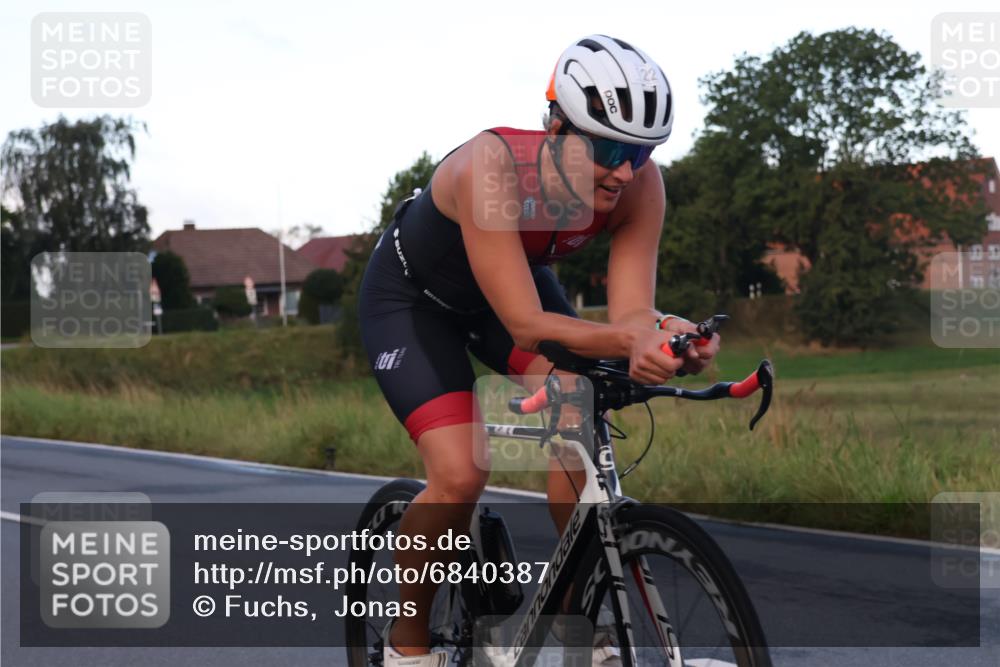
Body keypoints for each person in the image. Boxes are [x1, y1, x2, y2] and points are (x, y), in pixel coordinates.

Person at [358, 34, 720, 666]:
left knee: (580, 410)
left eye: (643, 150)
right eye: (608, 147)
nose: (625, 169)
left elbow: (632, 312)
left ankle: (572, 623)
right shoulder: (491, 168)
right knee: (461, 472)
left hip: (509, 285)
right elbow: (527, 325)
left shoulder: (638, 186)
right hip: (414, 307)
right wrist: (628, 338)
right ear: (555, 126)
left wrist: (665, 331)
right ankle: (407, 645)